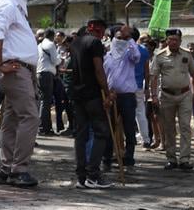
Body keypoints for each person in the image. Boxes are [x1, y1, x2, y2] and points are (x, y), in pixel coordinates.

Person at [0, 0, 41, 187]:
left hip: (20, 69)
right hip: (15, 70)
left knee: (10, 120)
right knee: (30, 117)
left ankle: (7, 167)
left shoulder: (15, 5)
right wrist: (0, 63)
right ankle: (19, 169)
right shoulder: (8, 4)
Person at [67, 18, 113, 189]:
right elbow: (99, 69)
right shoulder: (95, 43)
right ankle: (93, 174)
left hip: (77, 93)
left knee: (81, 135)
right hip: (93, 94)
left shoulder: (76, 42)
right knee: (101, 132)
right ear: (100, 30)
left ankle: (81, 176)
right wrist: (107, 93)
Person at [149, 28, 194, 171]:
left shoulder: (187, 55)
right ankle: (171, 158)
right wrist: (153, 96)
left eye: (176, 39)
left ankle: (184, 159)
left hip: (184, 95)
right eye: (170, 39)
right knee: (169, 128)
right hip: (166, 96)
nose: (173, 42)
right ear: (167, 40)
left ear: (180, 41)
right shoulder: (160, 56)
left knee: (185, 127)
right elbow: (153, 78)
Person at [103, 24, 142, 171]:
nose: (121, 41)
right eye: (119, 38)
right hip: (111, 96)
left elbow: (137, 56)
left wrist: (129, 38)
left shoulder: (130, 54)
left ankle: (129, 158)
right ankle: (106, 159)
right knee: (109, 129)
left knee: (129, 129)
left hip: (127, 97)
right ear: (113, 39)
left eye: (124, 38)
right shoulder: (107, 56)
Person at [36, 29, 63, 134]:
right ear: (52, 36)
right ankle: (43, 127)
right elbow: (55, 60)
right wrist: (61, 59)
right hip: (46, 74)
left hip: (39, 73)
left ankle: (45, 126)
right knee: (46, 101)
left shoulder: (39, 45)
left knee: (43, 101)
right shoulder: (50, 44)